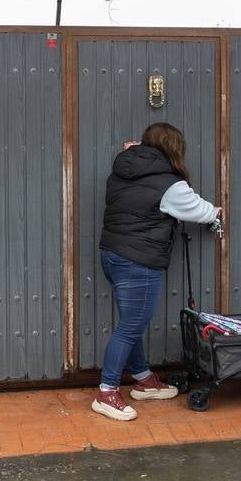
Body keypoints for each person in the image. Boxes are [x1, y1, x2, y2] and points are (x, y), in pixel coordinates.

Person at [92, 122, 220, 422]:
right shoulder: (168, 183)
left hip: (112, 255)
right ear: (174, 149)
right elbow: (197, 210)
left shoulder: (122, 169)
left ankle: (142, 378)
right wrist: (216, 212)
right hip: (139, 262)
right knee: (131, 326)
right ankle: (107, 392)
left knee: (130, 322)